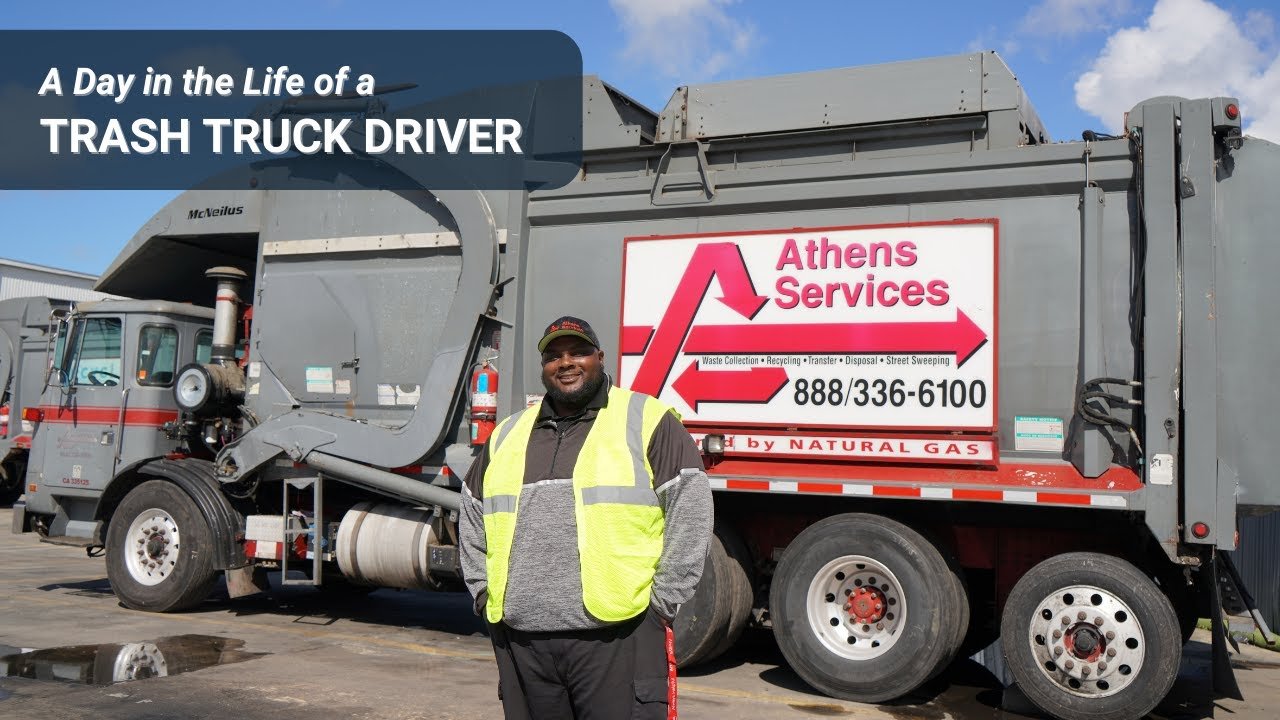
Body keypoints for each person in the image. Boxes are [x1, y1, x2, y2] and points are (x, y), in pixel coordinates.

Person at [459, 315, 713, 720]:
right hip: (523, 641)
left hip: (618, 633)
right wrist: (482, 591)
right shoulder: (509, 433)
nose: (566, 363)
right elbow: (472, 509)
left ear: (600, 357)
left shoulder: (646, 420)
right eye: (553, 356)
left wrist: (663, 602)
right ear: (543, 367)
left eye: (578, 352)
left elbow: (690, 507)